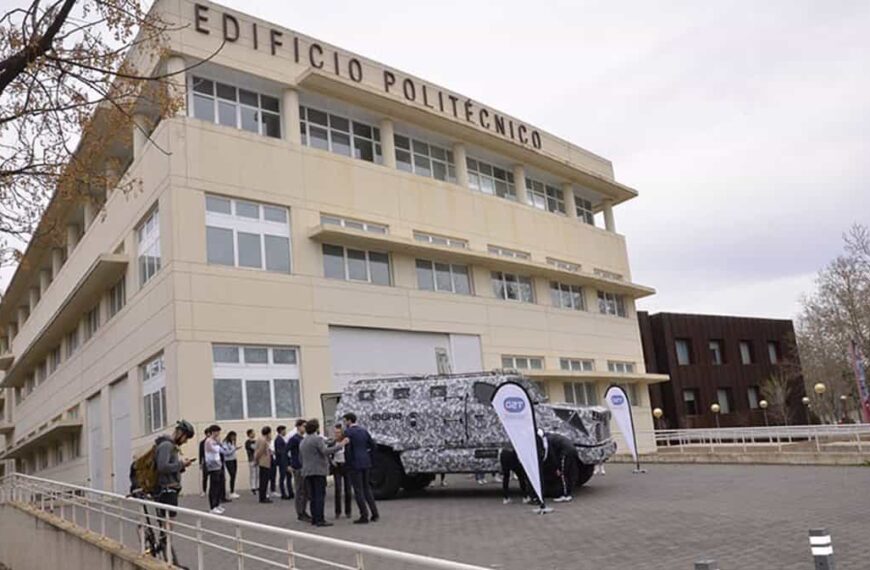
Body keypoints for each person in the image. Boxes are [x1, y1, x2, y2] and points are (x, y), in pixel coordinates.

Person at [299, 419, 341, 527]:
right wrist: (340, 445)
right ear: (316, 428)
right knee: (320, 495)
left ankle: (314, 518)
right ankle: (320, 519)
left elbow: (301, 458)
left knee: (312, 496)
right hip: (318, 471)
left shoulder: (303, 441)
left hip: (307, 471)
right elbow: (325, 451)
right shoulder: (317, 439)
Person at [342, 412, 380, 524]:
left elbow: (348, 450)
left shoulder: (348, 432)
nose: (344, 423)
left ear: (349, 421)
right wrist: (369, 456)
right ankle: (375, 513)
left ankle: (364, 515)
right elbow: (373, 445)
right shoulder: (364, 431)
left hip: (355, 464)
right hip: (365, 462)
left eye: (345, 420)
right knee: (367, 488)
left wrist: (348, 463)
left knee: (358, 490)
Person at [154, 419, 195, 520]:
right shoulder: (167, 445)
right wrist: (181, 464)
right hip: (167, 490)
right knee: (168, 523)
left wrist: (182, 466)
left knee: (167, 523)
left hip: (170, 489)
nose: (185, 441)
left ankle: (164, 536)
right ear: (180, 433)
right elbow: (162, 467)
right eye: (186, 438)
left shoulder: (170, 446)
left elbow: (169, 467)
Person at [545, 432, 579, 503]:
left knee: (562, 474)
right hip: (572, 450)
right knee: (569, 473)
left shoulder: (548, 440)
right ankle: (568, 493)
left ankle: (565, 495)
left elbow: (552, 455)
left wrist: (557, 468)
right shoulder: (554, 436)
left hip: (566, 452)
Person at [287, 419, 310, 522]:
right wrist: (288, 464)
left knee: (305, 490)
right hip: (297, 466)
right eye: (303, 426)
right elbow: (285, 451)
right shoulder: (294, 439)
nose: (305, 428)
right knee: (299, 490)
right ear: (298, 427)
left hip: (304, 466)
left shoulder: (303, 438)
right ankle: (300, 512)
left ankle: (304, 510)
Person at [330, 424, 352, 519]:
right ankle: (337, 511)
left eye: (338, 432)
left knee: (348, 489)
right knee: (338, 489)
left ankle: (348, 511)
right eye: (335, 433)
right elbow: (328, 453)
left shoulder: (346, 442)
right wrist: (331, 461)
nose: (337, 434)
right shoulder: (333, 443)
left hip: (346, 466)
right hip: (337, 466)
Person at [204, 424, 225, 514]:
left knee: (219, 485)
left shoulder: (215, 441)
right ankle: (212, 506)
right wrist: (218, 444)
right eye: (217, 431)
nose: (219, 433)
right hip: (212, 466)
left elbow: (222, 450)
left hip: (218, 465)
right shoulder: (209, 441)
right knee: (214, 486)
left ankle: (217, 504)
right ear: (213, 432)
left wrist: (218, 443)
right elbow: (215, 450)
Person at [254, 426, 273, 503]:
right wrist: (256, 460)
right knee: (264, 481)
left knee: (263, 480)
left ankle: (263, 496)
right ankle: (263, 497)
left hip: (263, 462)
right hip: (264, 462)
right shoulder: (263, 440)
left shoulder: (260, 439)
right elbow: (260, 451)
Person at [274, 425, 293, 500]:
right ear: (281, 431)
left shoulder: (282, 439)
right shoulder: (278, 440)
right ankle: (283, 493)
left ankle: (290, 492)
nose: (285, 432)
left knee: (289, 476)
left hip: (286, 460)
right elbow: (279, 451)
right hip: (282, 461)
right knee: (283, 477)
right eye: (284, 430)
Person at [222, 431, 241, 499]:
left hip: (233, 459)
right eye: (233, 436)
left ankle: (232, 491)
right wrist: (234, 449)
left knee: (234, 475)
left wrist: (235, 448)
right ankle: (231, 492)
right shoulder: (225, 443)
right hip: (228, 460)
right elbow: (226, 453)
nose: (234, 438)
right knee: (232, 474)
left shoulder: (232, 442)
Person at [198, 426, 212, 497]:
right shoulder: (202, 443)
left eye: (210, 433)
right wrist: (200, 463)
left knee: (213, 477)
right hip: (206, 462)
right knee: (205, 477)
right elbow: (200, 453)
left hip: (213, 461)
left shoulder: (213, 442)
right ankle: (204, 491)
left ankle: (212, 490)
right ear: (205, 434)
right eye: (208, 433)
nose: (209, 434)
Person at [244, 429, 257, 495]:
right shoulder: (248, 442)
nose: (254, 434)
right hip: (251, 459)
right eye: (252, 433)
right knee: (253, 474)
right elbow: (254, 448)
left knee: (257, 474)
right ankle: (253, 488)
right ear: (249, 434)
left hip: (257, 460)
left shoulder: (256, 441)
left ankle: (257, 486)